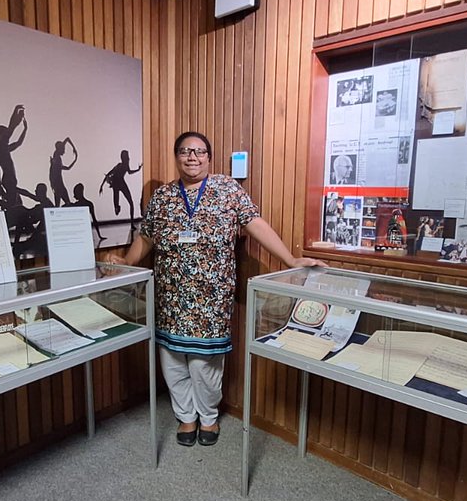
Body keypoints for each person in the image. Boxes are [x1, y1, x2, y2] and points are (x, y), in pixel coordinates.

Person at [109, 131, 325, 447]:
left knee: (204, 365)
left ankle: (208, 417)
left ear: (209, 157)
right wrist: (126, 264)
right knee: (172, 361)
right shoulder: (164, 196)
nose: (191, 157)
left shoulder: (227, 190)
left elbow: (256, 224)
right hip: (170, 298)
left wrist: (290, 259)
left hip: (212, 299)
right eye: (185, 151)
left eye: (199, 151)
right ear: (176, 156)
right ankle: (186, 417)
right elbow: (147, 236)